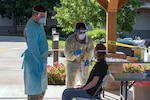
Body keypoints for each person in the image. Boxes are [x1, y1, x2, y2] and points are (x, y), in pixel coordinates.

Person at [21, 4, 48, 100]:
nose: (43, 19)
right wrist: (39, 62)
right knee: (35, 93)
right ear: (35, 14)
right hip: (34, 62)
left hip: (40, 61)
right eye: (41, 17)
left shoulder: (38, 24)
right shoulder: (31, 27)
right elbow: (33, 47)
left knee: (41, 91)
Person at [64, 22, 94, 88]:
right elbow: (67, 54)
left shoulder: (88, 40)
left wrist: (87, 60)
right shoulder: (69, 40)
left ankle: (83, 97)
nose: (82, 34)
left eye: (84, 32)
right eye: (80, 32)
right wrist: (74, 55)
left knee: (85, 82)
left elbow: (90, 52)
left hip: (83, 63)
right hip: (72, 63)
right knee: (70, 83)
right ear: (76, 31)